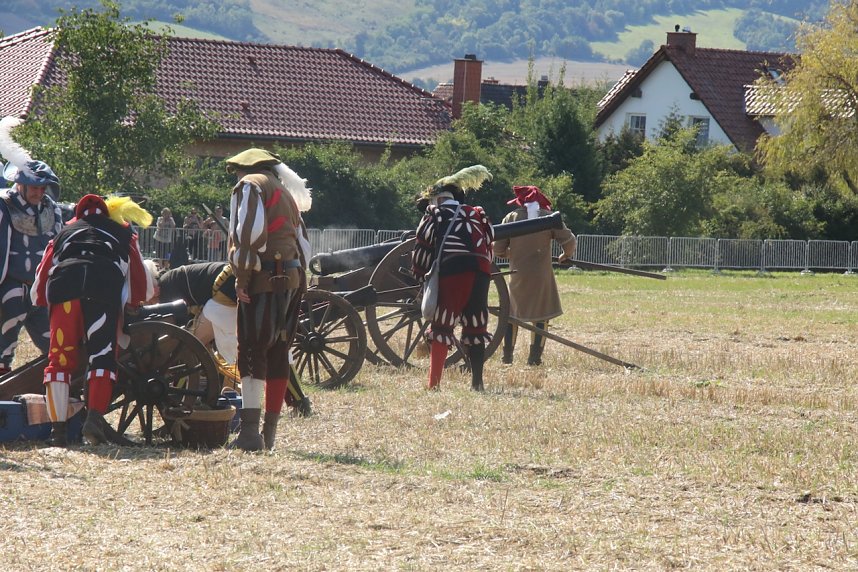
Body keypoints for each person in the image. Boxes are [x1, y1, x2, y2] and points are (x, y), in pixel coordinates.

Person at [31, 194, 154, 446]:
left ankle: (58, 431)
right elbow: (139, 276)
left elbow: (42, 275)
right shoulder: (123, 233)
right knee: (102, 356)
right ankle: (94, 419)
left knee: (59, 362)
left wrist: (42, 299)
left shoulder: (63, 234)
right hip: (102, 290)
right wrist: (135, 303)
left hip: (64, 290)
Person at [225, 148, 312, 451]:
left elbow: (248, 235)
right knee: (278, 352)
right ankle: (269, 433)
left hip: (263, 280)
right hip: (292, 278)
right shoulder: (285, 193)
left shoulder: (250, 185)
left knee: (251, 351)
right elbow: (303, 244)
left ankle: (250, 434)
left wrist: (242, 278)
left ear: (243, 169)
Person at [152, 260, 311, 416]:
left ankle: (178, 396)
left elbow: (175, 335)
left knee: (188, 346)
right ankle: (299, 400)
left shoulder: (167, 288)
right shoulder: (172, 279)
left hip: (225, 295)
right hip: (232, 288)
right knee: (270, 348)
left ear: (155, 289)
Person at [411, 165, 494, 392]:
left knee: (442, 323)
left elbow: (423, 244)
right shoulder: (477, 213)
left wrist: (420, 274)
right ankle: (477, 383)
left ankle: (434, 384)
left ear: (436, 200)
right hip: (482, 271)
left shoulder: (435, 213)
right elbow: (489, 242)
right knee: (476, 325)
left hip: (453, 270)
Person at [0, 116, 64, 375]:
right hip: (11, 286)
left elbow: (58, 249)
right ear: (20, 185)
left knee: (54, 345)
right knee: (4, 343)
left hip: (42, 289)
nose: (39, 193)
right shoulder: (4, 206)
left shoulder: (52, 210)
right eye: (33, 188)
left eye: (42, 187)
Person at [493, 185, 577, 366]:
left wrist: (512, 254)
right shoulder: (548, 217)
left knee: (511, 314)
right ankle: (534, 359)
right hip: (541, 275)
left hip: (517, 275)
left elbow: (497, 248)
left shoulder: (511, 218)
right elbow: (569, 241)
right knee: (542, 314)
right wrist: (566, 255)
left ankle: (507, 357)